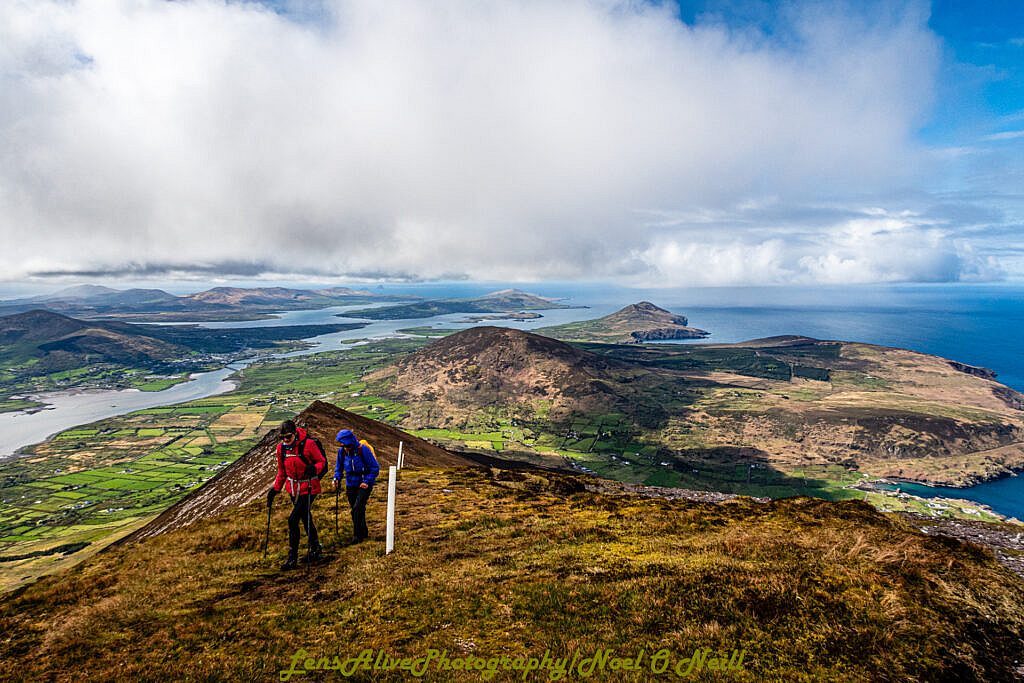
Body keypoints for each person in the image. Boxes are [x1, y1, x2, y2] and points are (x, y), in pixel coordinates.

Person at [267, 419, 327, 570]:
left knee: (293, 520)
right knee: (305, 516)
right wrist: (275, 490)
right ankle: (315, 548)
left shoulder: (309, 445)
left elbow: (322, 462)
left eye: (288, 437)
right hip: (293, 489)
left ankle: (292, 558)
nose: (286, 440)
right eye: (282, 438)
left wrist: (314, 468)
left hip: (309, 488)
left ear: (294, 433)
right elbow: (282, 471)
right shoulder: (281, 449)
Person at [332, 429, 380, 544]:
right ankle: (363, 532)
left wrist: (367, 481)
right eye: (342, 445)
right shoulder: (342, 452)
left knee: (357, 509)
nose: (345, 448)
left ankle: (357, 536)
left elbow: (375, 468)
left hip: (364, 483)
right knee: (357, 508)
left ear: (351, 442)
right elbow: (339, 468)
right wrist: (336, 478)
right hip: (350, 484)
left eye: (346, 445)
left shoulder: (363, 450)